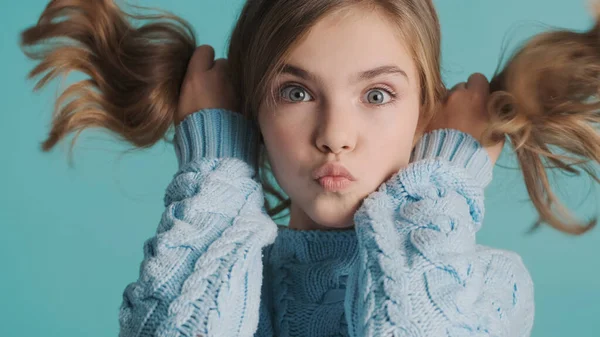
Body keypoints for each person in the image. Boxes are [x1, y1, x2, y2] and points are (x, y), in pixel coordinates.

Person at [19, 0, 599, 336]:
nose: (334, 137)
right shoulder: (202, 275)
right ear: (251, 113)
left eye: (376, 95)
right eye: (296, 92)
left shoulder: (490, 289)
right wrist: (216, 170)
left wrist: (440, 186)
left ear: (425, 115)